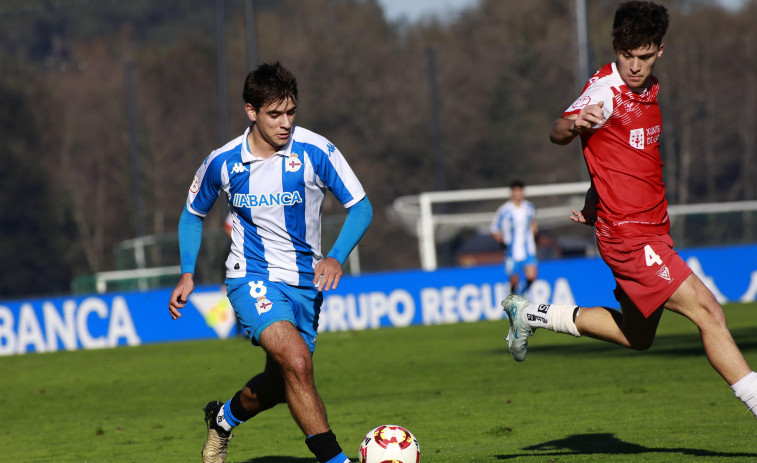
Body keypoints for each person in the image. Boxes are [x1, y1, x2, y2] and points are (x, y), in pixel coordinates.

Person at [502, 1, 757, 418]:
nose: (634, 66)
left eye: (644, 56)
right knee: (709, 311)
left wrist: (594, 196)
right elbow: (558, 130)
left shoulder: (649, 88)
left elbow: (618, 157)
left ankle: (531, 313)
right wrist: (575, 124)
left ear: (660, 51)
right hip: (629, 236)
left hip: (653, 229)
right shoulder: (603, 91)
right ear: (615, 47)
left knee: (639, 336)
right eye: (626, 55)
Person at [169, 62, 373, 463]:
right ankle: (336, 460)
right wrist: (187, 272)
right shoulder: (224, 162)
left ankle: (222, 421)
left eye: (291, 113)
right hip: (251, 278)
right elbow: (193, 213)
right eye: (274, 114)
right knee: (297, 362)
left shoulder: (316, 150)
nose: (285, 123)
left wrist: (334, 256)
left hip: (306, 284)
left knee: (281, 384)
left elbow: (361, 207)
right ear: (251, 111)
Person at [490, 180, 538, 296]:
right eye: (515, 192)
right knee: (514, 280)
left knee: (532, 276)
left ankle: (521, 294)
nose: (518, 194)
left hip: (528, 250)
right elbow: (494, 228)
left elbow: (533, 223)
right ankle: (514, 296)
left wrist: (535, 231)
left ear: (523, 193)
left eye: (520, 191)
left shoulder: (529, 207)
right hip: (512, 252)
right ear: (512, 193)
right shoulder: (504, 210)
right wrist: (501, 241)